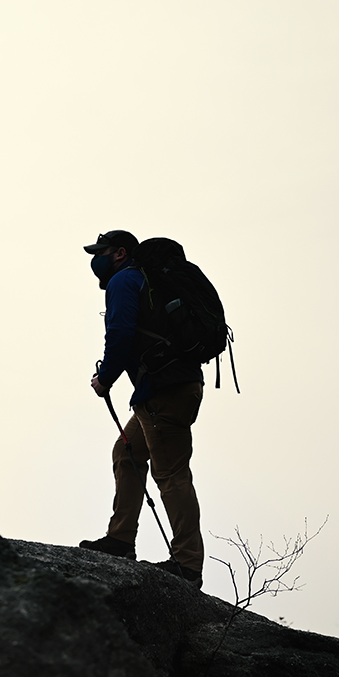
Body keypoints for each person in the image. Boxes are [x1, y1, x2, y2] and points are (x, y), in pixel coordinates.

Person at [79, 230, 205, 588]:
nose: (96, 259)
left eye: (100, 252)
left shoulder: (125, 280)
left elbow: (118, 334)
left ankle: (187, 564)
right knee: (128, 450)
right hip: (175, 386)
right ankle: (120, 539)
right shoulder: (147, 281)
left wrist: (105, 378)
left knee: (171, 474)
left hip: (163, 390)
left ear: (119, 253)